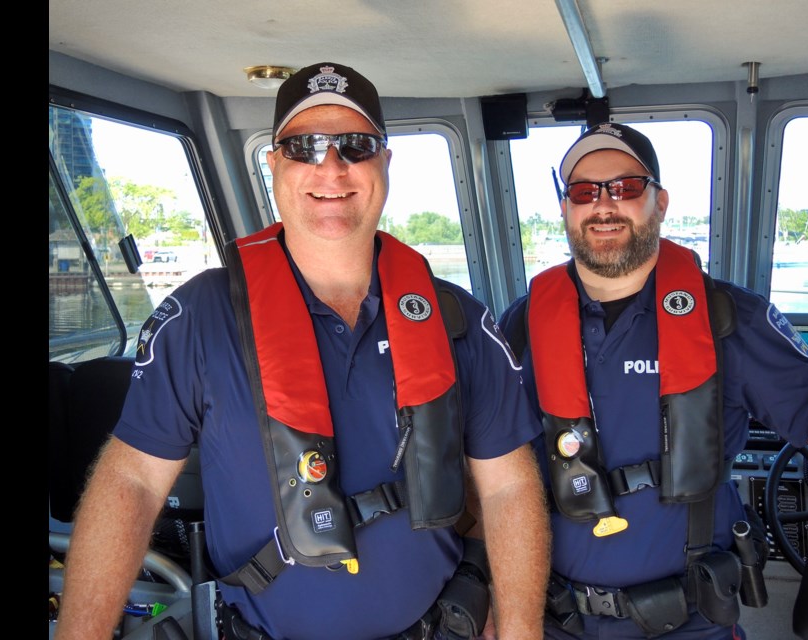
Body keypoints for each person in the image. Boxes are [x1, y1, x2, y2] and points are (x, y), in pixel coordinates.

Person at [55, 62, 550, 640]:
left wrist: (520, 629)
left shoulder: (457, 318)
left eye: (355, 146)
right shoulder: (199, 316)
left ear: (384, 163)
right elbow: (133, 481)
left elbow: (509, 487)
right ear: (273, 165)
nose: (331, 167)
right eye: (304, 147)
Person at [497, 122, 808, 640]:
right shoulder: (520, 324)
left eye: (625, 187)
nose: (603, 205)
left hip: (690, 622)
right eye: (583, 191)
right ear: (565, 208)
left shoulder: (729, 319)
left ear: (659, 202)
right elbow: (491, 468)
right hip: (554, 621)